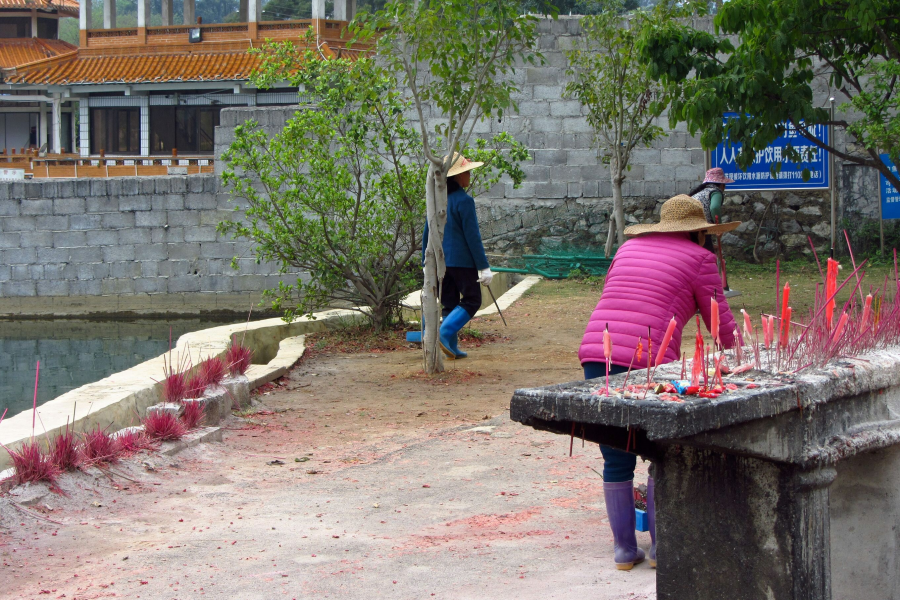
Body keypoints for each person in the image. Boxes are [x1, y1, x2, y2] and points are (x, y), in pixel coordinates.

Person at [578, 194, 740, 571]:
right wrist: (741, 361)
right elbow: (721, 324)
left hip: (595, 353)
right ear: (699, 233)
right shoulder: (701, 259)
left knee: (616, 454)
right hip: (647, 361)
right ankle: (660, 548)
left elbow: (615, 297)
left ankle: (623, 550)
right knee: (657, 452)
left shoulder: (627, 248)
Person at [421, 154, 494, 359]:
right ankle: (444, 334)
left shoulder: (436, 200)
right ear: (457, 176)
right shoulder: (465, 201)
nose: (469, 176)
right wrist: (484, 266)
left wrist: (425, 262)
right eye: (466, 172)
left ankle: (450, 348)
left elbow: (427, 231)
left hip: (439, 262)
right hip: (462, 262)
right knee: (472, 300)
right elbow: (473, 237)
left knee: (450, 304)